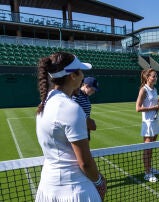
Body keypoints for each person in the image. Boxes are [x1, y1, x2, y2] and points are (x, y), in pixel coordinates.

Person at [35, 52, 106, 201]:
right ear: (73, 75)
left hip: (47, 187)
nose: (82, 76)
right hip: (74, 191)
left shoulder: (43, 104)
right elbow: (85, 163)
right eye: (80, 71)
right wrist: (99, 181)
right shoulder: (71, 108)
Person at [135, 68, 159, 183]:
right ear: (147, 77)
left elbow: (156, 104)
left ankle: (149, 168)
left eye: (156, 76)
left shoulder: (155, 89)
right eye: (153, 76)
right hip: (148, 123)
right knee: (147, 149)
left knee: (151, 148)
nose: (155, 78)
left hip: (155, 120)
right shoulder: (144, 90)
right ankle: (147, 173)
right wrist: (154, 107)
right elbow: (138, 108)